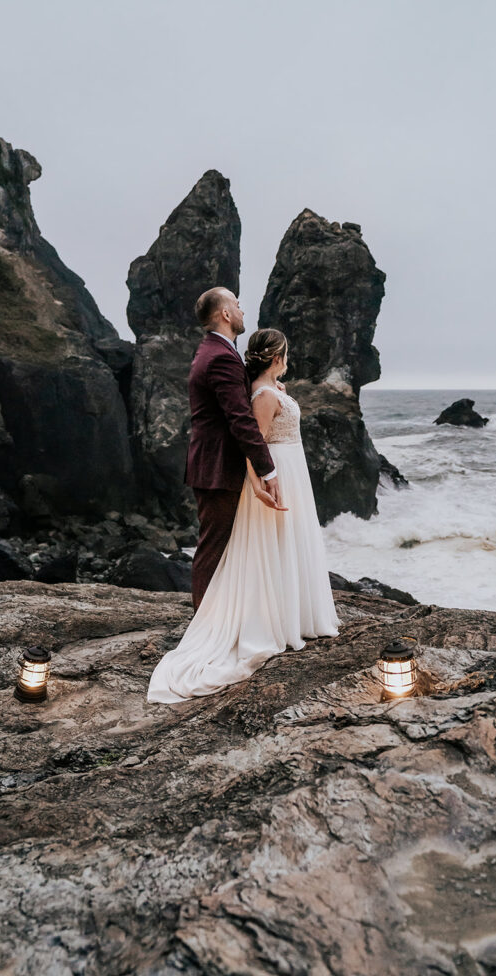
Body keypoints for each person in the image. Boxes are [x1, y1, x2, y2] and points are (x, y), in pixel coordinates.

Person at [147, 327, 340, 704]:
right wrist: (258, 484)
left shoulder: (272, 391)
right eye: (286, 354)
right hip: (276, 471)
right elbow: (250, 441)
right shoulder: (264, 396)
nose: (288, 359)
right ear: (277, 357)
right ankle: (264, 620)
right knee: (272, 544)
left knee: (289, 542)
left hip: (289, 468)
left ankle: (296, 613)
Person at [184, 286, 285, 611]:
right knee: (215, 549)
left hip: (212, 464)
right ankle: (205, 627)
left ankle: (217, 617)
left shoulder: (214, 352)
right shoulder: (221, 357)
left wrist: (269, 383)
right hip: (218, 467)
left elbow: (239, 396)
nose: (242, 311)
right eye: (238, 306)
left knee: (220, 546)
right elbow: (240, 419)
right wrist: (267, 469)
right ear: (226, 314)